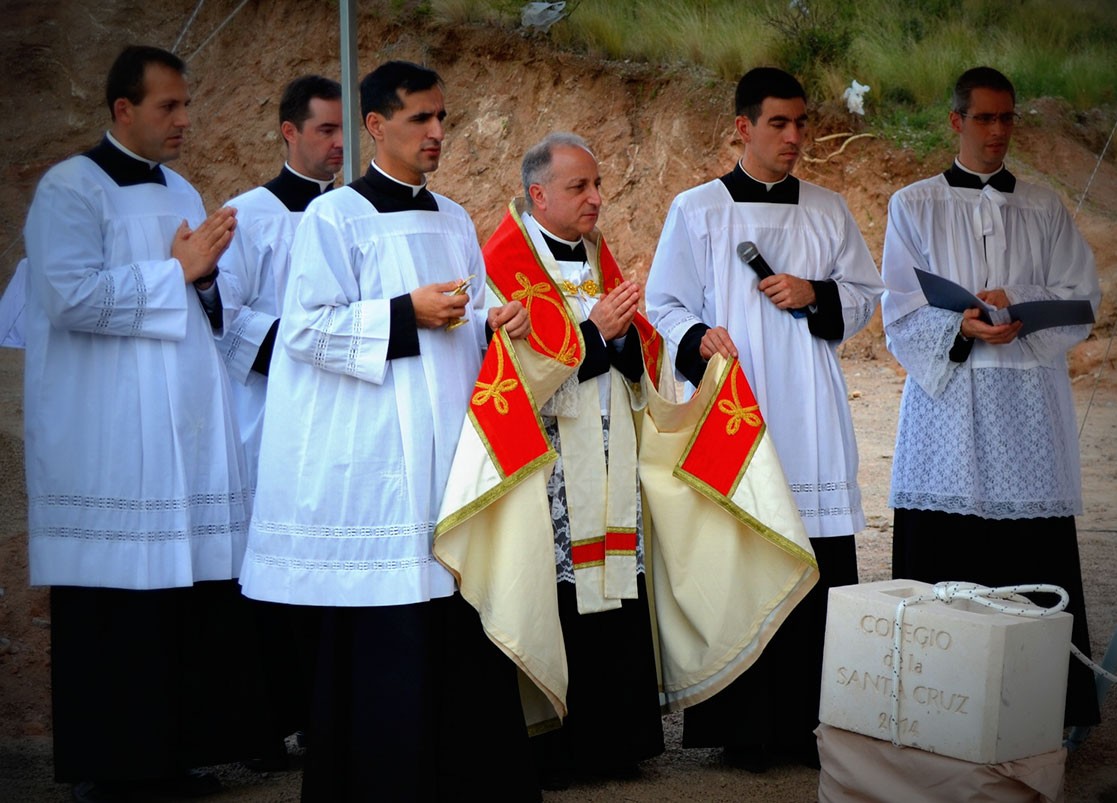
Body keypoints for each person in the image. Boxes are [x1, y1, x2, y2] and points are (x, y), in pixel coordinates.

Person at [237, 60, 539, 801]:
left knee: (456, 615)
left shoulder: (455, 218)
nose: (438, 132)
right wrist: (406, 313)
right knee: (388, 628)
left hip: (450, 449)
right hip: (381, 453)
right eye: (420, 119)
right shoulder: (334, 217)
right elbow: (306, 329)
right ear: (377, 126)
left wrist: (496, 320)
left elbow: (472, 314)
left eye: (443, 118)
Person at [22, 45, 265, 802]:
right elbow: (66, 297)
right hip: (109, 429)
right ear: (123, 109)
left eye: (187, 104)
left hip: (180, 423)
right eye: (169, 106)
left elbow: (200, 297)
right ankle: (115, 767)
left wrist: (206, 280)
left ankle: (172, 755)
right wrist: (179, 273)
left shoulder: (183, 187)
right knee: (116, 605)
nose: (185, 119)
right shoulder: (70, 189)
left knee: (179, 598)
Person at [646, 66, 884, 770]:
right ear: (741, 127)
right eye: (777, 123)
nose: (793, 136)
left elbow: (865, 295)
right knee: (741, 553)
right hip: (734, 408)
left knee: (816, 556)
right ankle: (744, 728)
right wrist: (697, 337)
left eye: (800, 123)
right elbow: (664, 303)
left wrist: (817, 291)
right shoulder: (697, 210)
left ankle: (813, 722)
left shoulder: (828, 209)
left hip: (808, 406)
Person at [881, 66, 1102, 728]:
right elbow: (897, 303)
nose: (998, 130)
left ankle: (1039, 702)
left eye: (1007, 118)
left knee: (1029, 546)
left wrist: (1017, 319)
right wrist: (961, 324)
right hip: (948, 404)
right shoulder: (913, 205)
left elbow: (1080, 297)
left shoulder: (1042, 206)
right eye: (984, 118)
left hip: (1026, 405)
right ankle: (935, 700)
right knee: (945, 544)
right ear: (955, 122)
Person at [482, 133, 664, 787]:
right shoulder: (504, 261)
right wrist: (598, 335)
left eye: (596, 185)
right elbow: (517, 376)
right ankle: (558, 745)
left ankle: (617, 738)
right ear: (538, 195)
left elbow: (635, 353)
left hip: (610, 453)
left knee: (615, 583)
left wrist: (624, 342)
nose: (595, 198)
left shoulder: (594, 253)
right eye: (578, 187)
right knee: (560, 589)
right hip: (553, 463)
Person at [217, 76, 343, 762]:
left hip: (337, 419)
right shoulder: (248, 216)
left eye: (343, 131)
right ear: (288, 131)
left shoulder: (352, 212)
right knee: (267, 571)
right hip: (266, 418)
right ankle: (265, 728)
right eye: (323, 130)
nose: (336, 144)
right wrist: (305, 350)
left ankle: (321, 717)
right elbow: (227, 320)